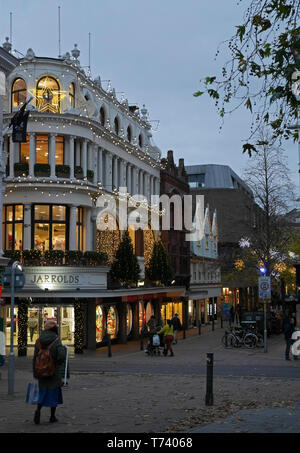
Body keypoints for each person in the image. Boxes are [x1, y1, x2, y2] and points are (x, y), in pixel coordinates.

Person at [32, 320, 67, 425]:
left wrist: (35, 371)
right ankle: (52, 416)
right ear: (54, 329)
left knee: (42, 392)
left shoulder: (38, 341)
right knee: (53, 393)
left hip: (41, 371)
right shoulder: (56, 340)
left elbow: (35, 358)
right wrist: (58, 363)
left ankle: (38, 410)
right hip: (53, 371)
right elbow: (61, 356)